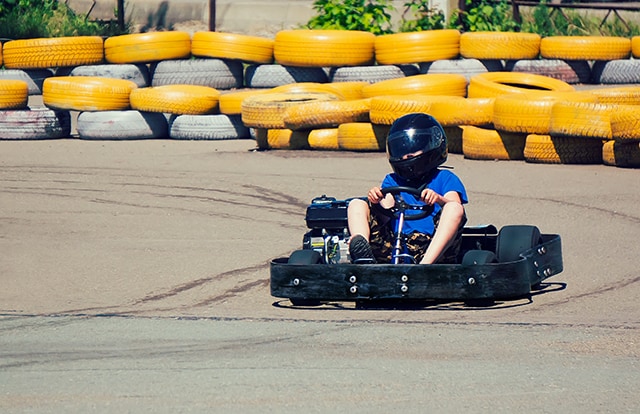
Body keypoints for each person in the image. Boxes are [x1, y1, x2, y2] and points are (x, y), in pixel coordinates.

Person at [347, 113, 468, 264]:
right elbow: (387, 207)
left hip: (433, 248)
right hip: (395, 246)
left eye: (413, 148)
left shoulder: (444, 178)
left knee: (454, 208)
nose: (406, 155)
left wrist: (438, 199)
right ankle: (362, 255)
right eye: (401, 150)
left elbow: (455, 206)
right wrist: (377, 200)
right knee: (356, 203)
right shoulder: (392, 180)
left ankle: (424, 267)